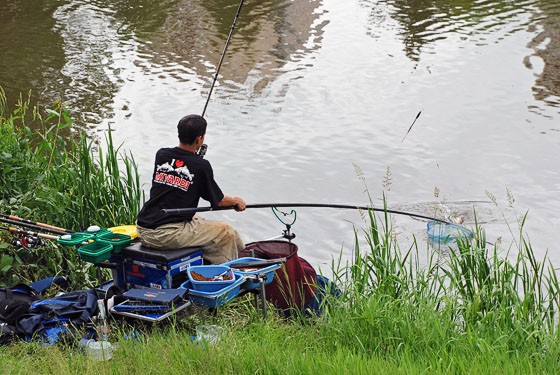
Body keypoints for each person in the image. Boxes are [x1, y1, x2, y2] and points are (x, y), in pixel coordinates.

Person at [136, 114, 247, 264]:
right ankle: (226, 273)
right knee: (226, 232)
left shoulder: (161, 155)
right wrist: (235, 201)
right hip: (165, 234)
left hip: (143, 228)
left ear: (179, 134)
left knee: (199, 218)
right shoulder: (201, 165)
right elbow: (218, 201)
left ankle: (213, 260)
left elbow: (183, 170)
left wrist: (194, 160)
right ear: (199, 139)